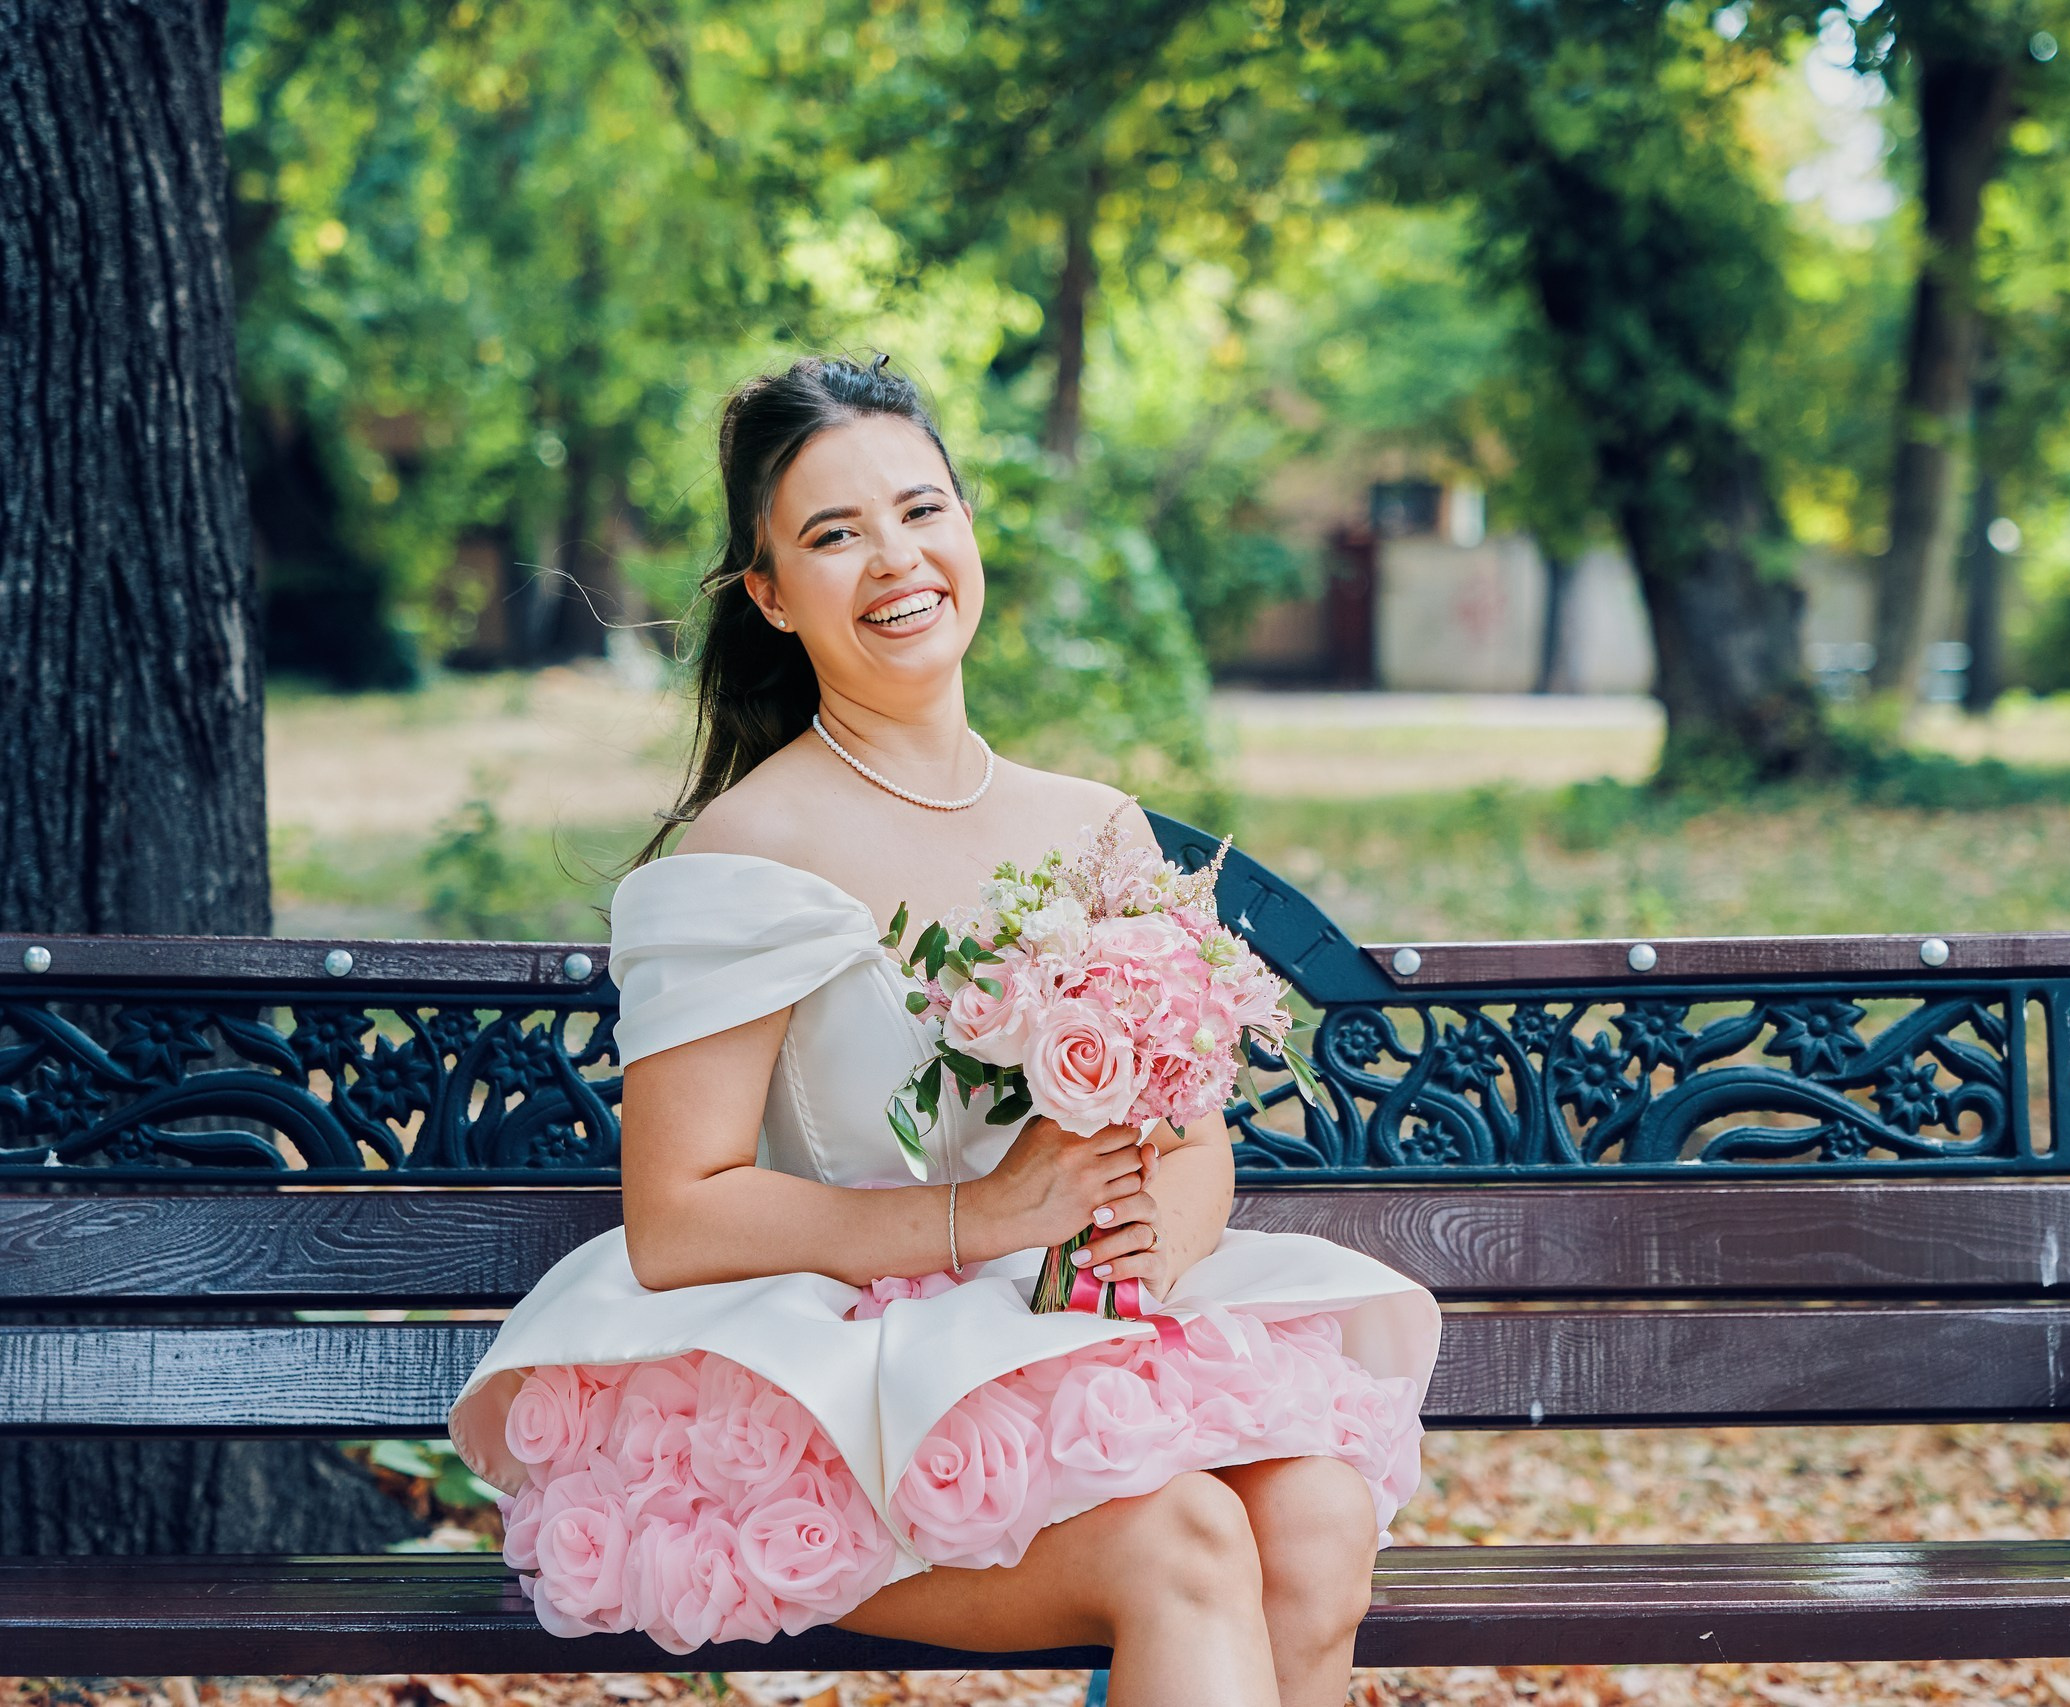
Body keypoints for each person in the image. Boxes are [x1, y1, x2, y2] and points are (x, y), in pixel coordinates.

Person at [445, 352, 1440, 1706]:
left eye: (922, 511)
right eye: (832, 535)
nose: (895, 559)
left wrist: (1167, 1230)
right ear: (772, 597)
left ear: (971, 532)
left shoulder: (1095, 825)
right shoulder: (749, 845)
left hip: (1070, 1337)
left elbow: (1188, 1140)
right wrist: (985, 1216)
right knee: (1190, 1545)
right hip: (842, 1370)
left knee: (1317, 1523)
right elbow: (678, 1217)